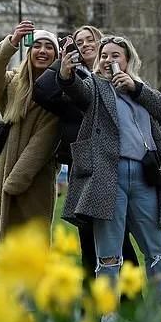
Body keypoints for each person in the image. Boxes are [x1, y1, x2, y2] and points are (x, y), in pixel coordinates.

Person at [58, 34, 161, 307]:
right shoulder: (95, 86)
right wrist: (66, 75)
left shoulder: (140, 88)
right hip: (108, 177)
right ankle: (108, 314)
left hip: (145, 177)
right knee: (108, 251)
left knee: (155, 247)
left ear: (128, 59)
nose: (109, 60)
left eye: (116, 55)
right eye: (105, 55)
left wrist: (135, 88)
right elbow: (78, 91)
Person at [33, 24, 141, 281]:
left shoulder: (119, 81)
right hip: (84, 166)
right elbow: (42, 92)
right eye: (79, 42)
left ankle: (128, 301)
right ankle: (94, 303)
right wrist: (61, 61)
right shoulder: (73, 79)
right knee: (88, 237)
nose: (85, 44)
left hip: (113, 165)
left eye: (90, 39)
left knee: (117, 236)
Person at [0, 21, 61, 244]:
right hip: (5, 169)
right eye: (37, 46)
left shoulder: (61, 91)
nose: (42, 51)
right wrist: (12, 42)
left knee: (32, 243)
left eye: (48, 47)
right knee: (6, 245)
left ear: (56, 54)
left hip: (34, 178)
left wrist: (17, 180)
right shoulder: (13, 84)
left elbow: (44, 140)